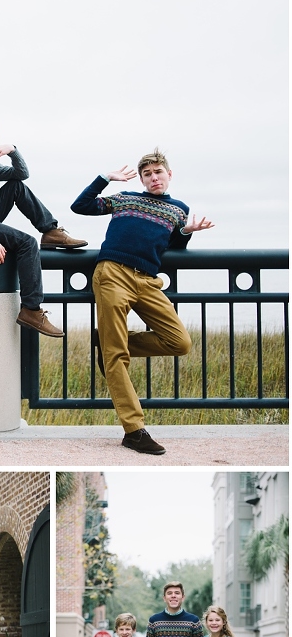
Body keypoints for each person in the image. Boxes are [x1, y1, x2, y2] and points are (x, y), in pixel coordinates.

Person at [71, 149, 215, 455]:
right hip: (112, 274)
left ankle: (111, 344)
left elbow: (171, 242)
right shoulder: (124, 198)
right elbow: (80, 206)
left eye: (158, 172)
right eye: (147, 173)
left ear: (169, 174)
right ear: (141, 178)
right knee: (116, 356)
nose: (153, 177)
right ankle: (134, 431)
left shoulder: (179, 209)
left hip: (148, 280)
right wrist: (104, 178)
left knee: (180, 342)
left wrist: (187, 231)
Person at [0, 118, 87, 339]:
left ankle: (50, 231)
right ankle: (31, 309)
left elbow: (21, 174)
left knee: (17, 187)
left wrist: (13, 151)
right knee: (27, 243)